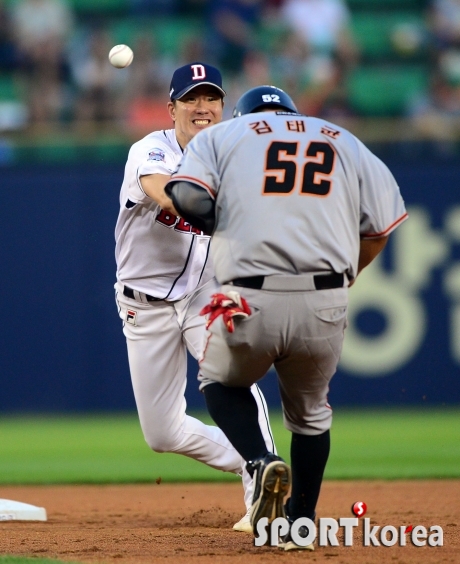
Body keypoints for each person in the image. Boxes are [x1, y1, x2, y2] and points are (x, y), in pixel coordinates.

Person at [165, 85, 408, 550]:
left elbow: (189, 199)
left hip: (249, 294)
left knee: (219, 383)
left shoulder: (225, 135)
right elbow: (379, 228)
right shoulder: (343, 139)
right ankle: (300, 524)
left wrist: (221, 219)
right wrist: (346, 275)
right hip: (326, 296)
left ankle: (258, 460)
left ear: (241, 113)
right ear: (291, 112)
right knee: (311, 415)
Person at [114, 64, 276, 534]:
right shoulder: (150, 149)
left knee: (229, 376)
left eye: (211, 98)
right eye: (191, 98)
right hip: (143, 303)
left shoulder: (235, 158)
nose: (202, 107)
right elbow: (165, 194)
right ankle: (257, 462)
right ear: (172, 109)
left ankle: (266, 481)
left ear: (223, 107)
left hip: (203, 296)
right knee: (161, 433)